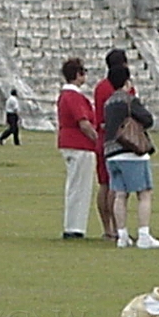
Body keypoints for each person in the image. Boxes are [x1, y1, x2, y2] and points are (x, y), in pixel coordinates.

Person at [104, 65, 159, 249]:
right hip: (131, 151)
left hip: (111, 153)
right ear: (127, 81)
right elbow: (148, 120)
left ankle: (122, 234)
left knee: (120, 194)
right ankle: (143, 234)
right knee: (144, 193)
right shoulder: (130, 101)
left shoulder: (108, 103)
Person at [57, 58, 97, 239]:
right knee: (80, 187)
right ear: (78, 74)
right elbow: (84, 122)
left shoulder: (66, 95)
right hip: (79, 144)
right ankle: (75, 227)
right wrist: (96, 138)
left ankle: (74, 225)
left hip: (69, 142)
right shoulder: (74, 96)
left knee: (75, 185)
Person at [94, 48, 131, 240]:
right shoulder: (125, 89)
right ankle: (119, 227)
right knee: (116, 187)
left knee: (104, 184)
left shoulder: (100, 87)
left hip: (102, 139)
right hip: (120, 141)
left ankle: (107, 227)